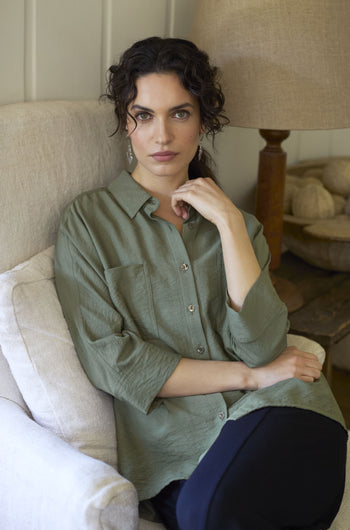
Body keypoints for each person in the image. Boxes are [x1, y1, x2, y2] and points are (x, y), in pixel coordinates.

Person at [54, 37, 347, 530]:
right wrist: (248, 378)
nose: (161, 135)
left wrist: (230, 224)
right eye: (143, 115)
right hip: (177, 455)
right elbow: (114, 362)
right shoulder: (88, 223)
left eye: (180, 114)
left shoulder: (242, 227)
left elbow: (262, 345)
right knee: (203, 512)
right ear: (126, 123)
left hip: (280, 413)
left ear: (203, 121)